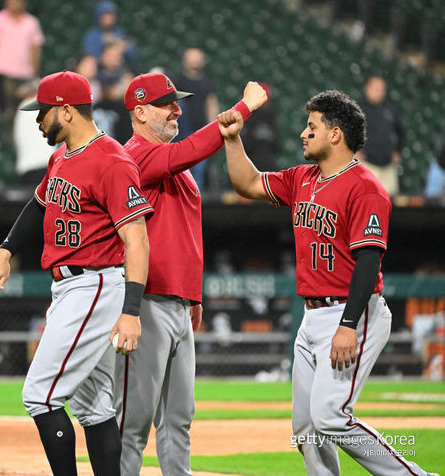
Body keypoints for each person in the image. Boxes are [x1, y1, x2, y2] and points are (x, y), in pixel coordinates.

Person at [219, 89, 438, 476]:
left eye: (312, 126)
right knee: (306, 430)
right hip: (312, 315)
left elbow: (369, 260)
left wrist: (348, 325)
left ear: (335, 134)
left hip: (352, 311)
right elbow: (248, 184)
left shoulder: (365, 186)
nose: (303, 133)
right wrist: (233, 139)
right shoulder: (302, 178)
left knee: (330, 416)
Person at [0, 71, 153, 476]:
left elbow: (137, 240)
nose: (38, 120)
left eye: (44, 112)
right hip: (71, 286)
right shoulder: (60, 157)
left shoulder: (111, 159)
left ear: (67, 110)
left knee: (40, 395)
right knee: (93, 405)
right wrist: (4, 251)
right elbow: (37, 206)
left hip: (95, 284)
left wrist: (131, 310)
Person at [116, 73, 266, 475]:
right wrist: (242, 108)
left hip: (178, 304)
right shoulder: (133, 156)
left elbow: (185, 234)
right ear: (141, 111)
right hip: (145, 302)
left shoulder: (174, 165)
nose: (177, 109)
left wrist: (194, 294)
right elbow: (193, 148)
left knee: (178, 419)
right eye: (168, 104)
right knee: (131, 423)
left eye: (176, 102)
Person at [0, 0, 44, 132]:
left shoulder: (32, 23)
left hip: (24, 75)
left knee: (22, 115)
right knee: (3, 113)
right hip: (2, 74)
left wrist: (34, 74)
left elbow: (35, 50)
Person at [171, 47, 219, 190]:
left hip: (200, 132)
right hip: (179, 133)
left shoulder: (207, 82)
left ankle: (196, 202)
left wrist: (213, 128)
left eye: (197, 57)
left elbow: (211, 103)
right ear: (184, 60)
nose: (194, 61)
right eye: (191, 57)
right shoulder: (177, 81)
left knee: (197, 172)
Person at [358, 76, 405, 196]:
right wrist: (354, 151)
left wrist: (398, 151)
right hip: (367, 165)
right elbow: (347, 132)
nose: (378, 92)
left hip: (388, 167)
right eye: (375, 89)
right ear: (367, 89)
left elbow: (402, 132)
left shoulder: (391, 110)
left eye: (381, 89)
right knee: (366, 202)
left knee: (390, 204)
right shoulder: (358, 110)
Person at [82, 1, 137, 68]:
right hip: (99, 70)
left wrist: (122, 47)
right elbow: (90, 56)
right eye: (105, 15)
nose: (108, 18)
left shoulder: (121, 33)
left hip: (119, 70)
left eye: (111, 15)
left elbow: (132, 56)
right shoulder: (92, 35)